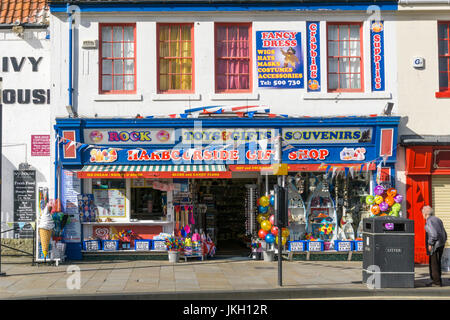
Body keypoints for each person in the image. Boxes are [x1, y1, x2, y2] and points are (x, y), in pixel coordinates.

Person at [422, 205, 447, 287]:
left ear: (425, 214)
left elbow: (433, 234)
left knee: (434, 263)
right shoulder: (437, 219)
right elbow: (444, 232)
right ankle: (437, 280)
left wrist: (430, 244)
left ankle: (436, 282)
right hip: (441, 244)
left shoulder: (429, 221)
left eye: (422, 213)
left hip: (435, 245)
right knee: (438, 262)